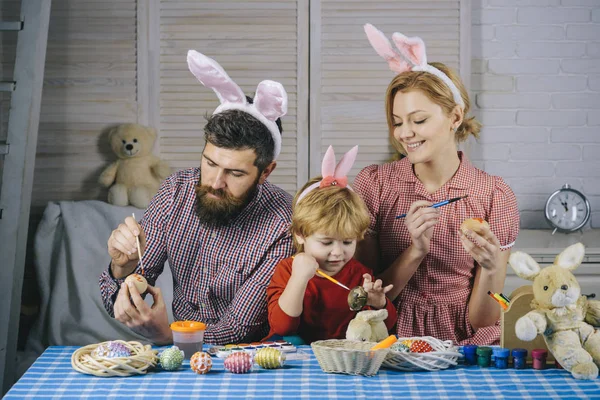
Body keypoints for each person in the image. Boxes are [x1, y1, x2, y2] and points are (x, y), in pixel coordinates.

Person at [99, 50, 294, 345]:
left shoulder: (284, 221)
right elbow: (127, 291)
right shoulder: (176, 190)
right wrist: (122, 268)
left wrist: (167, 336)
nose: (215, 183)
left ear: (265, 172)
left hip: (250, 362)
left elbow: (239, 328)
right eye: (210, 163)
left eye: (235, 174)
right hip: (179, 351)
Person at [352, 24, 520, 345]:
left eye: (419, 120)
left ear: (455, 117)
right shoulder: (375, 185)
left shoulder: (495, 196)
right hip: (387, 338)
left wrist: (489, 266)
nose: (405, 133)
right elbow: (362, 296)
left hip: (463, 346)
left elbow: (484, 320)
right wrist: (415, 251)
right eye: (398, 122)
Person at [267, 146, 397, 344]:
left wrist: (379, 304)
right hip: (298, 356)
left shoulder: (360, 274)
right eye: (326, 242)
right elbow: (283, 327)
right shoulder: (287, 270)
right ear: (300, 235)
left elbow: (385, 327)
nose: (337, 252)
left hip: (343, 356)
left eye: (347, 241)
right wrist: (299, 278)